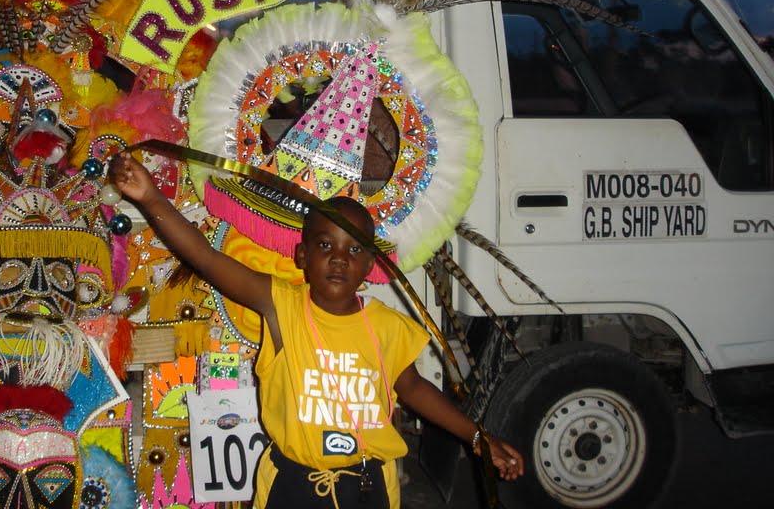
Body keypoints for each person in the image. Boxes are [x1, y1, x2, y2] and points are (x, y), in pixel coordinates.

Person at [111, 152, 523, 509]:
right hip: (293, 485)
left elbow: (413, 389)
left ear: (369, 265)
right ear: (302, 255)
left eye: (355, 249)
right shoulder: (280, 306)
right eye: (326, 246)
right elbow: (203, 256)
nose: (340, 260)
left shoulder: (388, 327)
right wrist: (150, 197)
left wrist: (478, 437)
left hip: (370, 486)